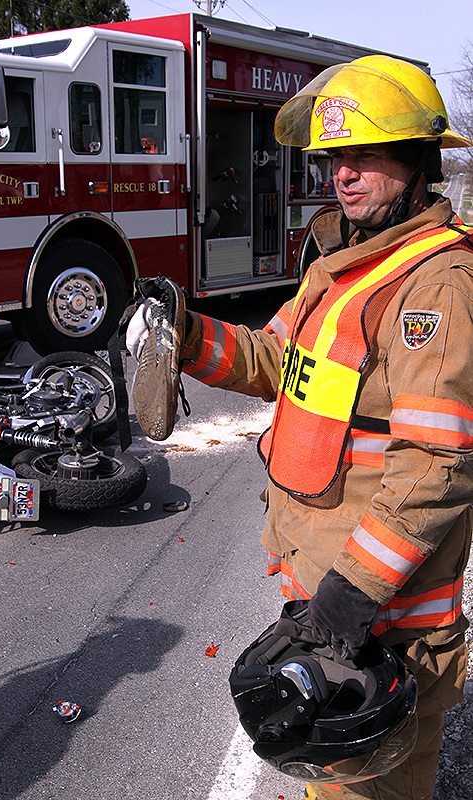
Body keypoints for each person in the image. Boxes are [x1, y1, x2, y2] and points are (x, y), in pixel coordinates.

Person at [127, 55, 473, 800]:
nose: (343, 176)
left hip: (382, 617)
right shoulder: (343, 266)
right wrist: (182, 333)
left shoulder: (433, 286)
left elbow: (437, 465)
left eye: (364, 156)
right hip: (332, 605)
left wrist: (346, 599)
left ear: (416, 161)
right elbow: (274, 357)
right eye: (333, 159)